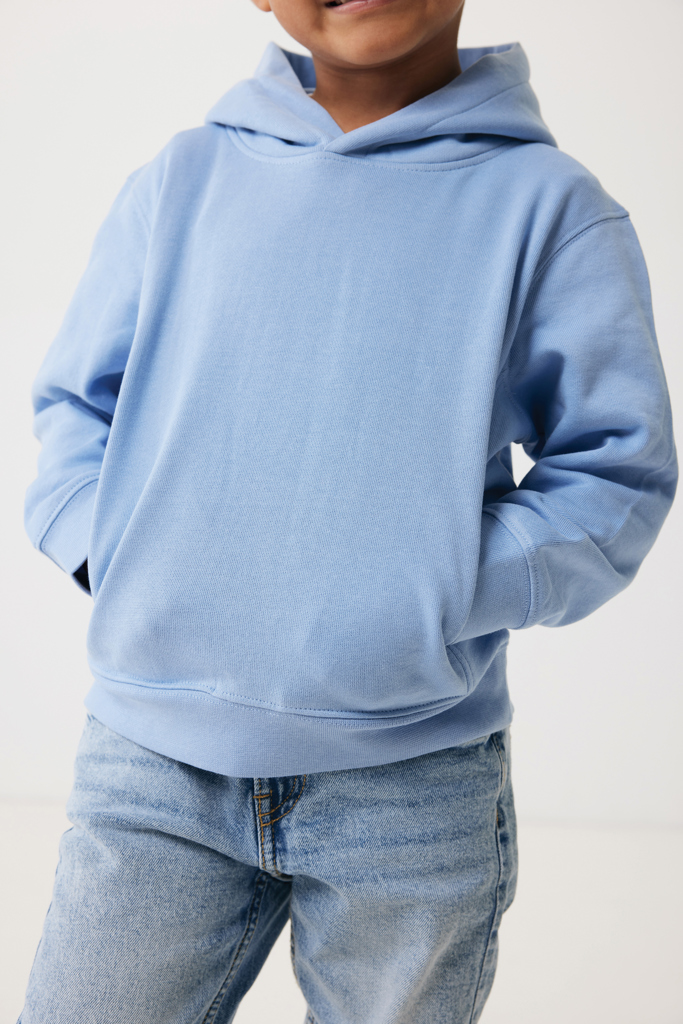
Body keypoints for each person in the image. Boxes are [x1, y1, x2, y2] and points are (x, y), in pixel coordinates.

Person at [19, 0, 677, 1021]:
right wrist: (115, 556)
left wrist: (432, 587)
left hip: (411, 783)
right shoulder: (182, 180)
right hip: (153, 763)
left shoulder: (548, 208)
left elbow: (615, 469)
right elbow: (74, 407)